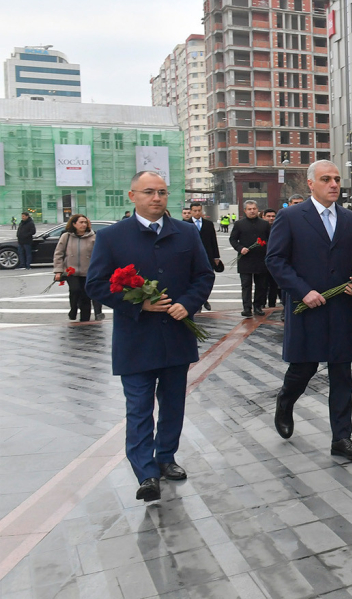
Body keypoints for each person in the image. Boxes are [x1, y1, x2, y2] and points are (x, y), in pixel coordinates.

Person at [85, 171, 215, 502]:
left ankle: (166, 457)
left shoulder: (186, 232)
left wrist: (188, 304)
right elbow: (96, 284)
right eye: (149, 192)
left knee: (173, 403)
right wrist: (138, 304)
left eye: (162, 192)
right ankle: (145, 473)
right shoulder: (112, 237)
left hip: (176, 336)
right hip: (136, 340)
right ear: (132, 196)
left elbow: (203, 275)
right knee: (139, 407)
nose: (156, 197)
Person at [266, 160, 352, 462]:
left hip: (342, 308)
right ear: (310, 183)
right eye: (326, 179)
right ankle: (285, 401)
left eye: (337, 179)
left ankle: (342, 438)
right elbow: (276, 260)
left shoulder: (351, 219)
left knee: (341, 373)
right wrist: (302, 291)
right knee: (304, 368)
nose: (334, 184)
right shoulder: (290, 217)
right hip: (307, 307)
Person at [229, 200, 272, 317]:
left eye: (254, 209)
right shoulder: (239, 224)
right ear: (245, 211)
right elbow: (233, 239)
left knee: (261, 285)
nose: (252, 211)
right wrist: (240, 248)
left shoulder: (264, 224)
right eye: (249, 209)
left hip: (261, 259)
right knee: (246, 285)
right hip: (245, 259)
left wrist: (266, 247)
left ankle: (258, 306)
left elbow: (270, 239)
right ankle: (246, 308)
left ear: (258, 210)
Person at [53, 214, 97, 321]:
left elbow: (99, 255)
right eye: (81, 222)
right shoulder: (66, 236)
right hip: (71, 271)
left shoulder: (93, 237)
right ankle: (73, 309)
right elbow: (58, 254)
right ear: (74, 224)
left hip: (87, 272)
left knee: (86, 296)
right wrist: (58, 271)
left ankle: (85, 319)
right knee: (75, 290)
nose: (83, 225)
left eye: (85, 222)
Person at [187, 202, 222, 312]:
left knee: (206, 279)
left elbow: (213, 240)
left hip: (208, 256)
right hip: (191, 257)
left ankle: (204, 298)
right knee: (193, 280)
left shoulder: (208, 224)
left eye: (199, 210)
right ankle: (198, 302)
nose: (197, 213)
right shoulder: (185, 224)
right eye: (195, 211)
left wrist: (216, 257)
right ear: (191, 211)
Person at [262, 208, 280, 308]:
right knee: (263, 284)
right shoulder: (260, 227)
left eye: (273, 216)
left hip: (275, 261)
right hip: (262, 260)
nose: (271, 218)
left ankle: (272, 304)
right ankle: (262, 304)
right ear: (263, 217)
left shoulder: (279, 226)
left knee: (274, 284)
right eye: (268, 216)